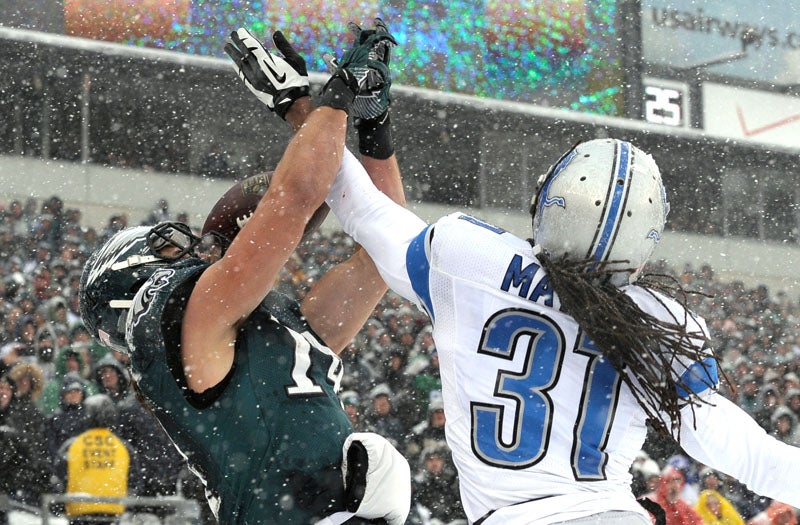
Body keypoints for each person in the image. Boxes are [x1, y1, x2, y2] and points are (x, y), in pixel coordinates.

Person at [306, 24, 800, 523]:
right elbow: (752, 456)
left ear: (551, 201)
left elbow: (365, 212)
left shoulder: (470, 259)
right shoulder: (655, 322)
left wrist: (312, 111)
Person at [78, 23, 410, 524]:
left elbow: (387, 248)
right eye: (167, 246)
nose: (192, 244)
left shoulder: (259, 333)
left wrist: (371, 122)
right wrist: (326, 101)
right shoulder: (178, 318)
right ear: (136, 276)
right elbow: (292, 199)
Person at [53, 394, 139, 525]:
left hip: (79, 511)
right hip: (113, 510)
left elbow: (59, 480)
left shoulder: (71, 446)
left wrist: (60, 506)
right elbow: (134, 482)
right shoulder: (124, 447)